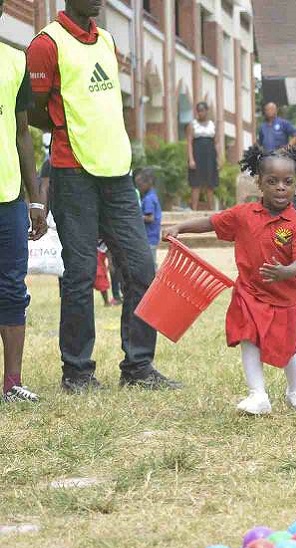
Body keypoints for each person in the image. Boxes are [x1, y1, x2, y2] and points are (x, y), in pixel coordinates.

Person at [28, 0, 178, 393]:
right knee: (79, 276)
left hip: (117, 175)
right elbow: (35, 108)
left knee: (142, 270)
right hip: (73, 172)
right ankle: (77, 373)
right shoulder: (47, 43)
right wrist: (66, 127)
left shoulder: (108, 39)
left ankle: (139, 367)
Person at [164, 146, 296, 416]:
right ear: (259, 182)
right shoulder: (243, 214)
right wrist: (181, 227)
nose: (280, 188)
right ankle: (258, 395)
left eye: (288, 182)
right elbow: (211, 222)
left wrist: (285, 271)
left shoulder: (295, 224)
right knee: (249, 338)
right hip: (249, 292)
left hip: (285, 299)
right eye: (272, 181)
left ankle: (295, 390)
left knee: (288, 345)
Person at [1, 9, 48, 403]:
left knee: (12, 289)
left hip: (7, 196)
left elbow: (23, 135)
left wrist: (35, 200)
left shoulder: (16, 61)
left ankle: (12, 383)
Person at [186, 102, 220, 211]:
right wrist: (191, 159)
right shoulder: (192, 125)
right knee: (196, 184)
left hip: (210, 156)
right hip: (197, 155)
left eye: (203, 110)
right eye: (199, 111)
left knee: (210, 184)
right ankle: (194, 210)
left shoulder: (212, 125)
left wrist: (219, 158)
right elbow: (189, 143)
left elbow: (217, 143)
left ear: (207, 111)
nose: (201, 113)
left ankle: (211, 209)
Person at [134, 168, 162, 266]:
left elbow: (150, 218)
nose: (139, 188)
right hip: (152, 236)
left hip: (149, 236)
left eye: (140, 185)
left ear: (148, 183)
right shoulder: (152, 195)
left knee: (150, 263)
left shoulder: (149, 199)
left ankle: (154, 280)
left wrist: (135, 217)